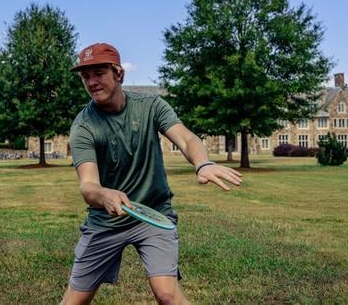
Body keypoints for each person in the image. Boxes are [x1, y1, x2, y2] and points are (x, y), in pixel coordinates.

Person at [61, 42, 243, 305]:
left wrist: (202, 163)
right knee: (74, 302)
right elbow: (88, 185)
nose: (91, 82)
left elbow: (186, 138)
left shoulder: (151, 106)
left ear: (119, 74)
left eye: (98, 73)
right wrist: (104, 195)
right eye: (85, 76)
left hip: (153, 214)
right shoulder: (83, 126)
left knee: (167, 294)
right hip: (106, 223)